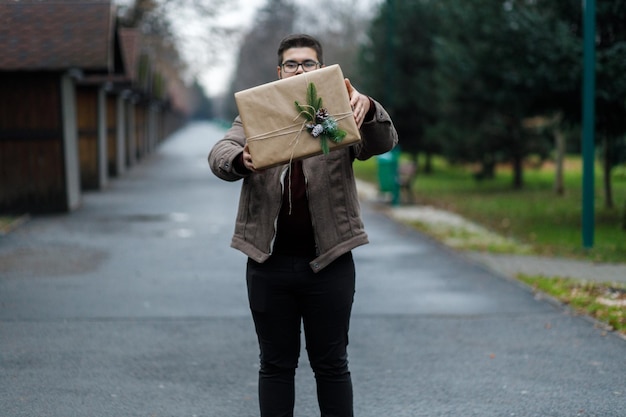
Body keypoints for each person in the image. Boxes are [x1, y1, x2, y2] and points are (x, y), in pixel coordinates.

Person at [208, 33, 398, 417]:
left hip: (330, 261)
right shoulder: (257, 113)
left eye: (308, 63)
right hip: (268, 263)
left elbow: (382, 142)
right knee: (276, 366)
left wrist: (370, 106)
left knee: (331, 366)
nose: (300, 69)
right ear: (280, 71)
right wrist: (241, 159)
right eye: (292, 64)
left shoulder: (340, 108)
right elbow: (220, 151)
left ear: (321, 69)